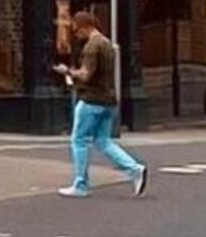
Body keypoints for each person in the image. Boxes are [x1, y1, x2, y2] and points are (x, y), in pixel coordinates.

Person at [54, 11, 149, 198]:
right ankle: (134, 168)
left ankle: (80, 185)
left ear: (84, 26)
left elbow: (86, 74)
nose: (75, 34)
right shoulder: (107, 44)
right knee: (103, 140)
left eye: (76, 29)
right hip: (109, 100)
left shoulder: (91, 47)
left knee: (79, 141)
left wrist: (68, 72)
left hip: (90, 100)